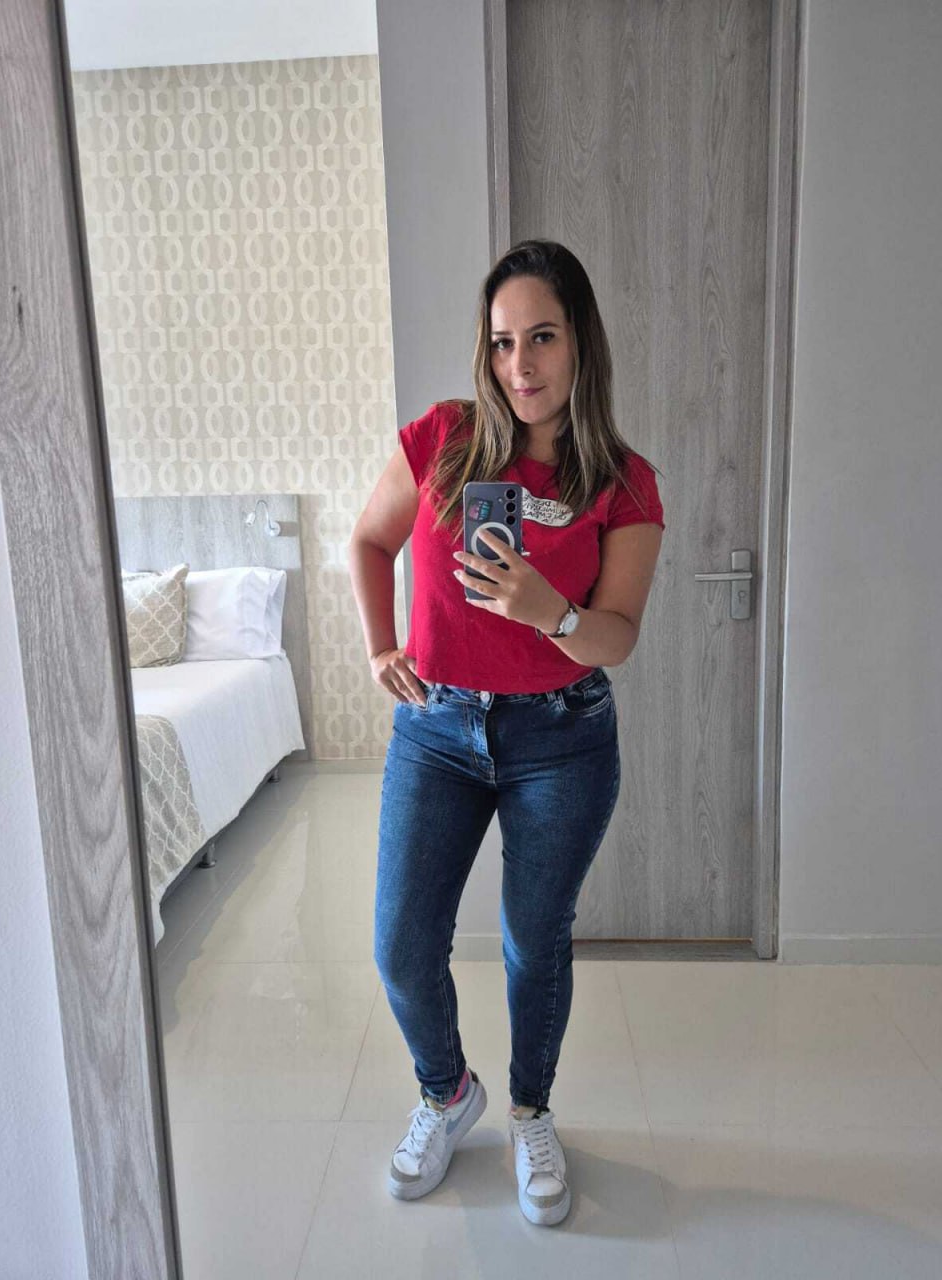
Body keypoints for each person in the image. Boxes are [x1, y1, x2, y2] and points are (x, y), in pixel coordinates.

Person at [347, 239, 664, 1227]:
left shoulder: (622, 482)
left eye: (542, 337)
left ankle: (531, 1110)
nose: (520, 364)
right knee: (401, 944)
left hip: (561, 739)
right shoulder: (444, 438)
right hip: (436, 727)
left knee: (534, 942)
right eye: (501, 342)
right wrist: (380, 644)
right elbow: (369, 539)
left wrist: (548, 610)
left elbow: (617, 636)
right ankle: (448, 1092)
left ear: (580, 344)